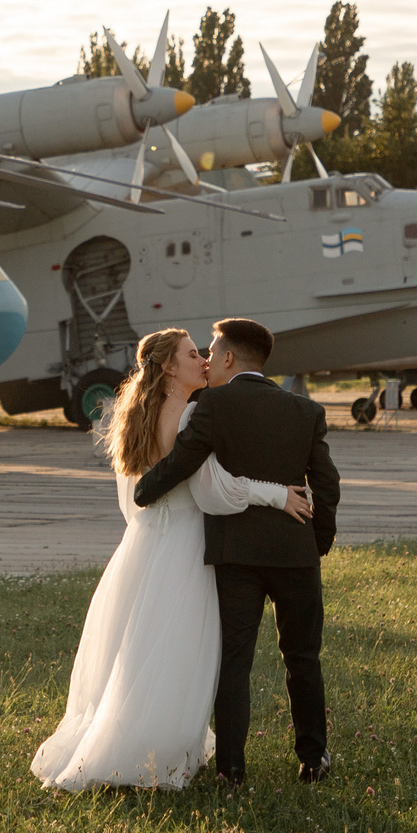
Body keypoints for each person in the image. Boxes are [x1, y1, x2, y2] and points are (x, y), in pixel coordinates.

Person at [30, 327, 314, 791]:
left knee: (143, 650)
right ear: (169, 367)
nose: (204, 359)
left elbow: (136, 501)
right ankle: (158, 753)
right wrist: (276, 494)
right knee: (180, 652)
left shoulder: (138, 415)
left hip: (143, 546)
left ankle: (141, 741)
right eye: (192, 354)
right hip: (183, 546)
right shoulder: (186, 416)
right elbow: (213, 490)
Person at [132, 316, 339, 785]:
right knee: (303, 657)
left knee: (235, 662)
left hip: (236, 556)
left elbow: (182, 463)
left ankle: (231, 768)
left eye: (210, 351)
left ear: (228, 358)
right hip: (295, 553)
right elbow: (328, 484)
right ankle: (313, 757)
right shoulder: (306, 411)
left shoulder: (213, 406)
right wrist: (316, 540)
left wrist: (144, 490)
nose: (206, 360)